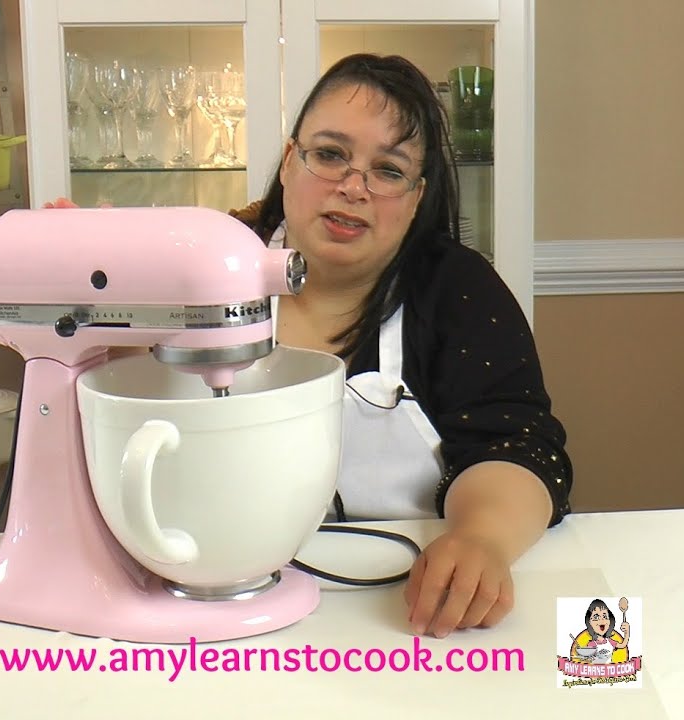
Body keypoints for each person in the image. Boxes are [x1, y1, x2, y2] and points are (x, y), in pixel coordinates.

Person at [47, 52, 573, 639]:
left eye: (388, 170)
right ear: (289, 162)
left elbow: (518, 445)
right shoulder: (200, 273)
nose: (353, 188)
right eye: (330, 155)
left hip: (400, 610)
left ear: (417, 196)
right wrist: (92, 327)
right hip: (204, 601)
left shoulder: (457, 291)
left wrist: (482, 539)